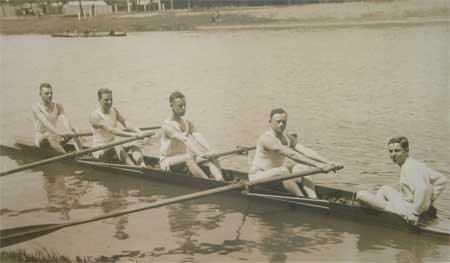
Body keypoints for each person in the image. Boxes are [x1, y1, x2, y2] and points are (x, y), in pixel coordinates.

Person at [249, 108, 340, 198]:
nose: (281, 124)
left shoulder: (288, 138)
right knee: (283, 171)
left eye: (284, 122)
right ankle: (302, 199)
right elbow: (292, 154)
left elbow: (307, 151)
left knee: (303, 166)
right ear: (270, 121)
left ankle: (314, 198)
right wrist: (318, 165)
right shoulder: (266, 139)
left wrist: (328, 162)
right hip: (257, 177)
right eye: (278, 121)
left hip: (275, 176)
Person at [356, 136, 448, 224]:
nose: (393, 154)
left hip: (406, 210)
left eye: (397, 151)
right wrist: (430, 201)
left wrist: (415, 213)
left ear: (406, 150)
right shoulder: (415, 163)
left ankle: (385, 212)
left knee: (360, 195)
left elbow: (422, 188)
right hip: (406, 203)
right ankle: (382, 213)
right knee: (384, 189)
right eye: (390, 151)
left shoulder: (408, 168)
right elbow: (442, 180)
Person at [159, 91, 225, 181]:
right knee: (189, 157)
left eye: (185, 105)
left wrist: (209, 150)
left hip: (183, 157)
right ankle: (208, 183)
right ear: (171, 106)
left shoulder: (187, 123)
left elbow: (198, 136)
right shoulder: (167, 126)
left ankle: (220, 181)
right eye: (180, 106)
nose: (184, 108)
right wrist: (199, 153)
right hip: (168, 161)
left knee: (211, 156)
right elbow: (185, 140)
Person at [89, 88, 153, 167]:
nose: (109, 102)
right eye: (106, 100)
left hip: (113, 146)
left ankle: (143, 165)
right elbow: (112, 130)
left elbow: (125, 122)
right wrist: (134, 135)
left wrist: (139, 132)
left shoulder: (114, 110)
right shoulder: (95, 116)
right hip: (100, 151)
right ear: (99, 100)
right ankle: (133, 168)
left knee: (134, 142)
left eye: (111, 99)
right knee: (117, 142)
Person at [32, 83, 75, 153]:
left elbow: (64, 118)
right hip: (42, 137)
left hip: (55, 136)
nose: (50, 95)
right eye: (46, 93)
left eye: (51, 93)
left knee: (73, 130)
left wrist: (69, 130)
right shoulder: (36, 107)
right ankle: (65, 155)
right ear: (40, 94)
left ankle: (80, 152)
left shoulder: (58, 105)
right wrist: (58, 132)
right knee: (48, 134)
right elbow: (45, 122)